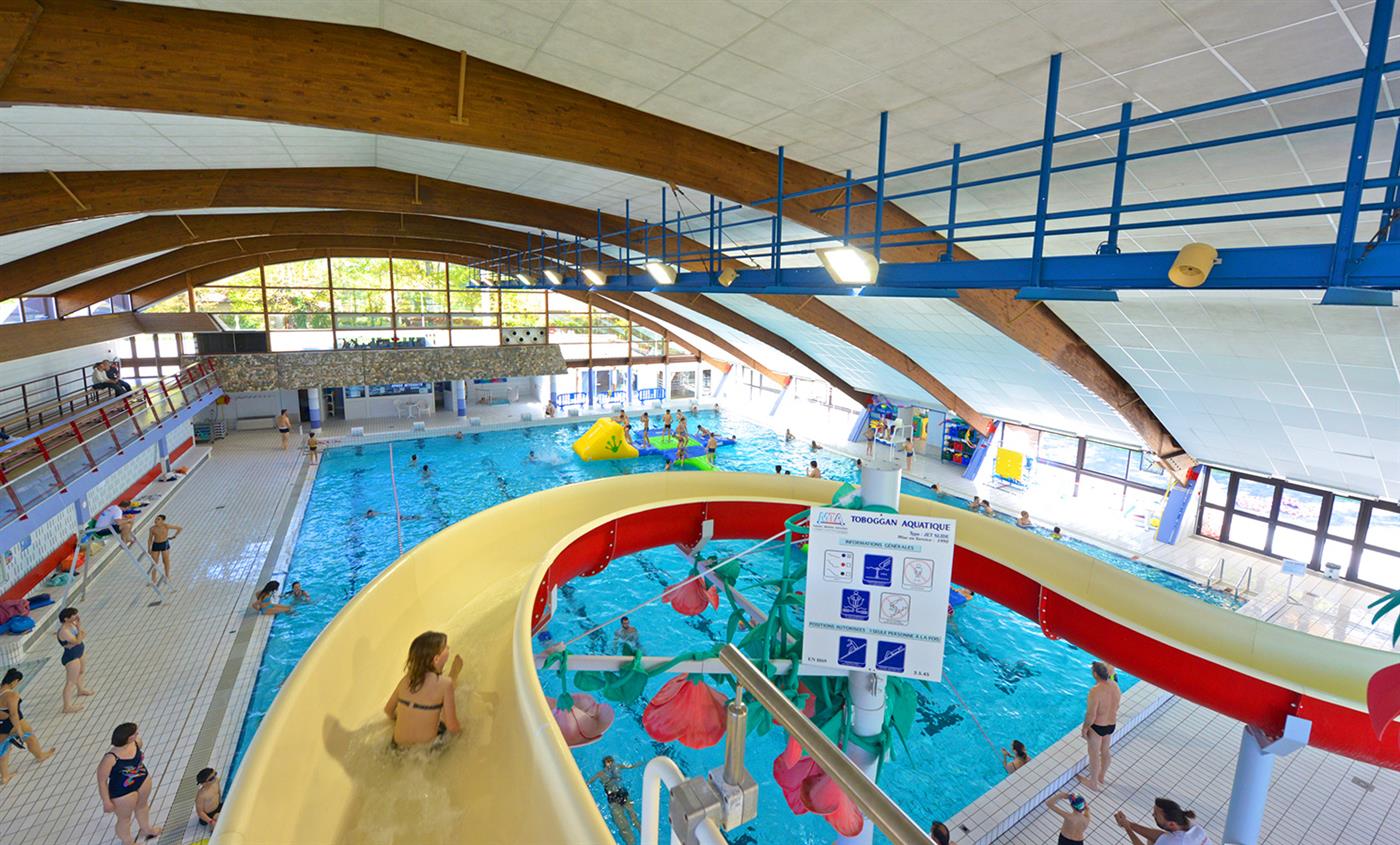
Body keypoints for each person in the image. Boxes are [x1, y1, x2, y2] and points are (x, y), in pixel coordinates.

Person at [384, 630, 463, 749]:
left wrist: (402, 719)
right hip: (427, 750)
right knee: (441, 712)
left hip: (396, 747)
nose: (448, 647)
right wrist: (464, 734)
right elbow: (452, 726)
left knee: (424, 706)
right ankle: (454, 672)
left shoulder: (407, 679)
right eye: (445, 647)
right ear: (436, 659)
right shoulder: (445, 683)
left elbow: (388, 710)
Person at [97, 722, 159, 844]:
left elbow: (139, 756)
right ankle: (127, 841)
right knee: (124, 819)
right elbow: (101, 781)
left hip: (142, 780)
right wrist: (106, 801)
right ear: (129, 737)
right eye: (136, 733)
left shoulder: (136, 743)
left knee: (143, 806)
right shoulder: (110, 758)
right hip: (122, 791)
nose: (138, 734)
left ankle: (146, 828)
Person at [0, 668, 56, 785]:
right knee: (30, 738)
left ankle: (5, 777)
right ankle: (40, 756)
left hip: (1, 724)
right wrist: (19, 730)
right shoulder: (12, 695)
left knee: (4, 749)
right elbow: (14, 714)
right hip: (14, 723)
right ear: (14, 681)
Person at [1077, 661, 1122, 791]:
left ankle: (1093, 783)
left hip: (1097, 727)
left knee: (1094, 755)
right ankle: (1101, 776)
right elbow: (1117, 706)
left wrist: (1085, 728)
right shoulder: (1115, 685)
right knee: (1105, 750)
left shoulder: (1095, 691)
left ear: (1095, 674)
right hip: (1111, 725)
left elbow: (1091, 714)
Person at [588, 756, 642, 844]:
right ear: (604, 764)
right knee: (623, 825)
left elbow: (631, 766)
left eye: (611, 762)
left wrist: (640, 763)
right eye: (608, 762)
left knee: (634, 818)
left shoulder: (617, 767)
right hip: (613, 798)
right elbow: (589, 782)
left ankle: (644, 836)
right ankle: (631, 842)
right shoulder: (601, 773)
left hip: (621, 793)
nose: (610, 764)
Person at [1114, 798, 1209, 845]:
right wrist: (1129, 824)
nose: (1153, 815)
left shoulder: (1174, 842)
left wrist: (1128, 829)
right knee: (1151, 840)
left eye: (1156, 814)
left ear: (1171, 824)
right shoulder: (1189, 823)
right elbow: (1160, 836)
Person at [57, 608, 95, 713]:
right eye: (73, 615)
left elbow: (83, 634)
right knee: (70, 682)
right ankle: (67, 707)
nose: (77, 617)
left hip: (79, 652)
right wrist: (79, 635)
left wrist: (79, 630)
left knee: (81, 671)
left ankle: (80, 689)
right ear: (66, 619)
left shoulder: (72, 625)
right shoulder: (64, 631)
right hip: (71, 657)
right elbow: (77, 640)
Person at [146, 515, 181, 586]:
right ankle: (153, 579)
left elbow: (179, 528)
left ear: (162, 521)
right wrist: (149, 548)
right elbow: (150, 539)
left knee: (165, 561)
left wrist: (174, 536)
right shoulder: (152, 529)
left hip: (164, 544)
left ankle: (167, 576)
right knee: (154, 562)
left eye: (158, 519)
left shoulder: (166, 526)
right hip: (156, 545)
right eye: (155, 519)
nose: (155, 520)